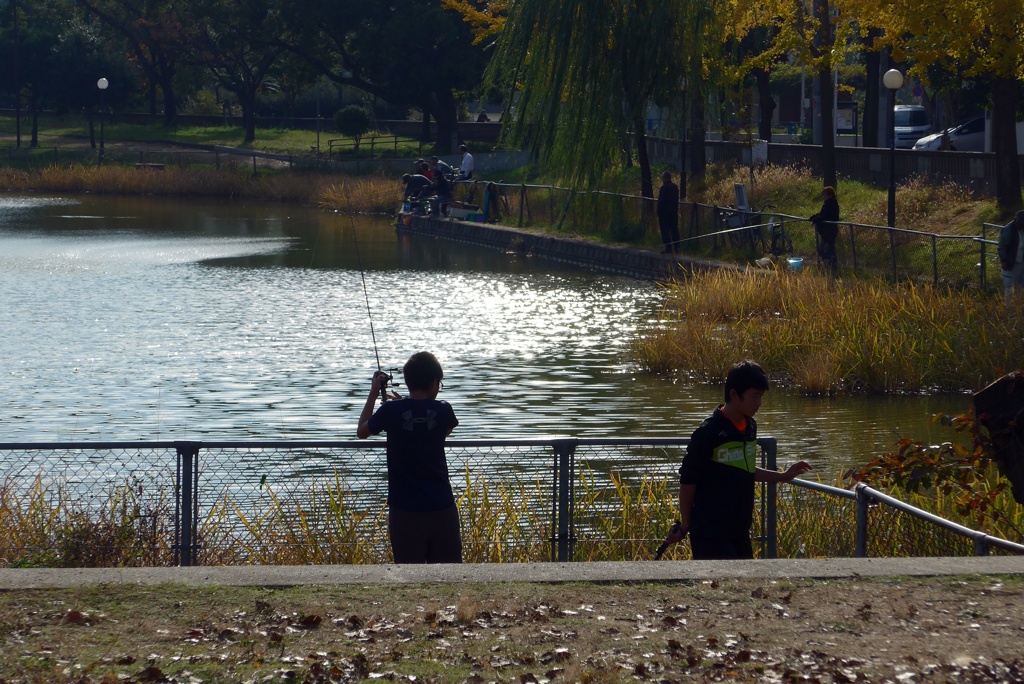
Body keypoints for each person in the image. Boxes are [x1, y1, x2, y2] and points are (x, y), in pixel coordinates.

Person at [664, 360, 812, 560]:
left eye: (761, 397)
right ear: (734, 394)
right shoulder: (709, 432)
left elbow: (746, 469)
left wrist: (783, 476)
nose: (759, 403)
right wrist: (684, 525)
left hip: (740, 529)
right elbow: (688, 481)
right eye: (754, 396)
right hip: (710, 531)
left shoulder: (750, 426)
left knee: (744, 585)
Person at [357, 352, 462, 564]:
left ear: (408, 381)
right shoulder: (443, 409)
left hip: (404, 511)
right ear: (434, 381)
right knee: (448, 575)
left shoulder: (391, 411)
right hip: (442, 508)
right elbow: (446, 430)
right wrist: (409, 409)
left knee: (408, 575)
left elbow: (362, 431)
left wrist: (374, 392)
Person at [809, 186, 840, 270]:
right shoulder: (826, 204)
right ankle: (830, 265)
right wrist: (815, 217)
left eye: (824, 195)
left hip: (830, 231)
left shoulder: (832, 204)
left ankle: (832, 266)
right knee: (824, 250)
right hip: (825, 232)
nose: (823, 197)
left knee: (827, 250)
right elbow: (822, 214)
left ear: (829, 195)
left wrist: (819, 218)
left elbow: (829, 216)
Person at [997, 210, 1024, 300]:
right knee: (1009, 289)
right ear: (1016, 220)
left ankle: (1019, 309)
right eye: (1020, 223)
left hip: (1021, 263)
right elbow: (1002, 247)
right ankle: (1008, 310)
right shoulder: (1008, 230)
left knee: (1020, 288)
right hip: (1010, 263)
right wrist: (1004, 260)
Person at [657, 170, 681, 253]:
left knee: (665, 230)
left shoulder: (663, 188)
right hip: (674, 212)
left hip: (665, 214)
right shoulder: (675, 187)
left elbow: (661, 202)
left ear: (664, 178)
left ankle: (668, 247)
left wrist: (659, 212)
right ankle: (677, 247)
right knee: (674, 229)